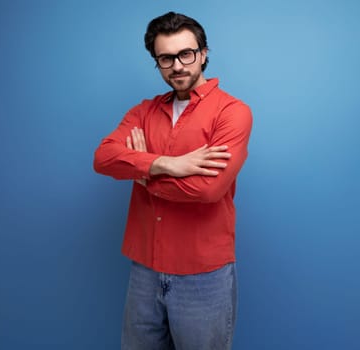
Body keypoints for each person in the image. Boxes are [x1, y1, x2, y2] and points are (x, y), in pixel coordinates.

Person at [93, 11, 252, 350]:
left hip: (202, 274)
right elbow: (104, 158)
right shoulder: (143, 112)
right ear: (157, 61)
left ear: (203, 54)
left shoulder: (232, 112)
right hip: (145, 269)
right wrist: (169, 164)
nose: (177, 66)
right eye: (166, 58)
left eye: (186, 54)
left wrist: (143, 173)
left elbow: (209, 189)